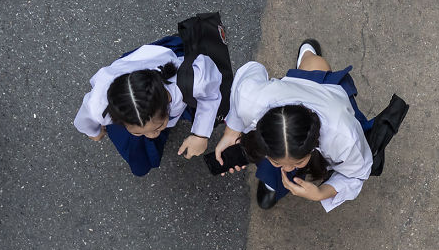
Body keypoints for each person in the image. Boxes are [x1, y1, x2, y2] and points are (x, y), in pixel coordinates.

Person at [213, 40, 372, 212]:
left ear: (313, 141)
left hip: (325, 94)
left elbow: (357, 173)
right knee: (284, 161)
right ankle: (275, 178)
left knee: (315, 65)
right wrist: (231, 132)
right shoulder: (250, 100)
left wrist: (321, 193)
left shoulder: (344, 137)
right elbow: (250, 71)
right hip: (290, 95)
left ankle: (308, 56)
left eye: (299, 161)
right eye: (276, 161)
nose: (288, 169)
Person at [73, 36, 222, 176]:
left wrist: (201, 134)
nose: (152, 135)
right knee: (140, 164)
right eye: (138, 132)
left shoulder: (190, 81)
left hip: (160, 60)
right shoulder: (99, 106)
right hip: (137, 69)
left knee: (218, 112)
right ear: (118, 118)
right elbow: (84, 119)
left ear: (166, 101)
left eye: (158, 126)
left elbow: (211, 91)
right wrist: (93, 131)